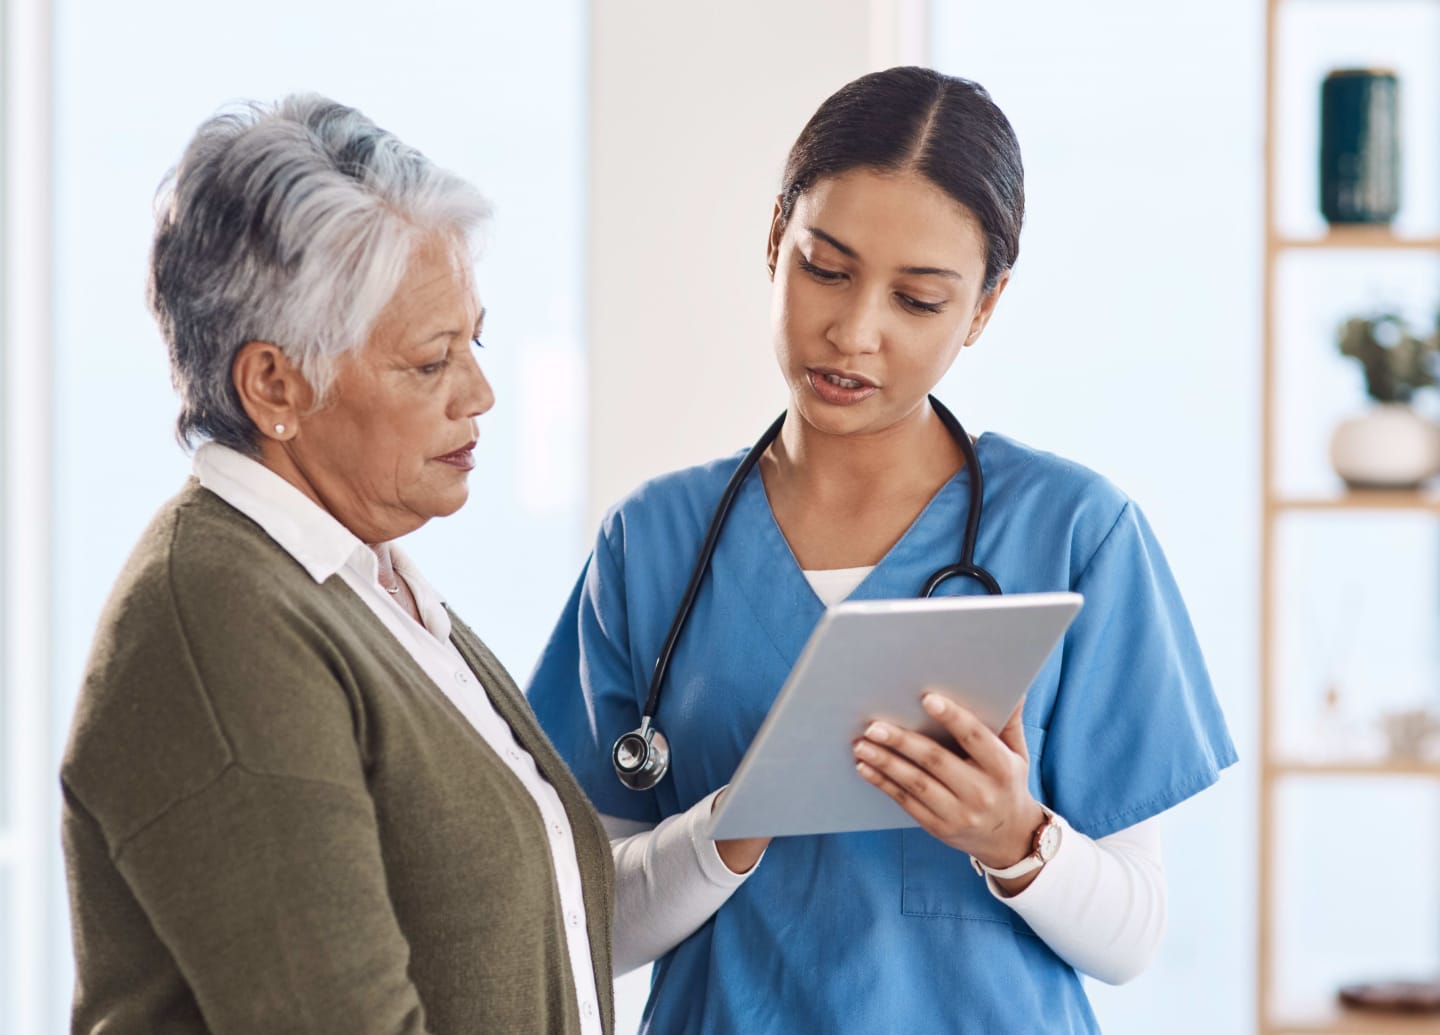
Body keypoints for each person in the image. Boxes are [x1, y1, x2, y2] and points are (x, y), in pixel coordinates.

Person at [527, 66, 1237, 1033]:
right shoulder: (651, 542)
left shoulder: (1076, 533)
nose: (854, 332)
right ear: (775, 239)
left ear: (982, 309)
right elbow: (581, 922)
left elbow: (1133, 934)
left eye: (918, 301)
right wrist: (726, 831)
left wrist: (1012, 836)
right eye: (825, 268)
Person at [61, 95, 615, 1034]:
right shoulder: (218, 620)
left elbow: (533, 915)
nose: (480, 392)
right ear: (275, 383)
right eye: (431, 362)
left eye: (472, 341)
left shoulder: (363, 584)